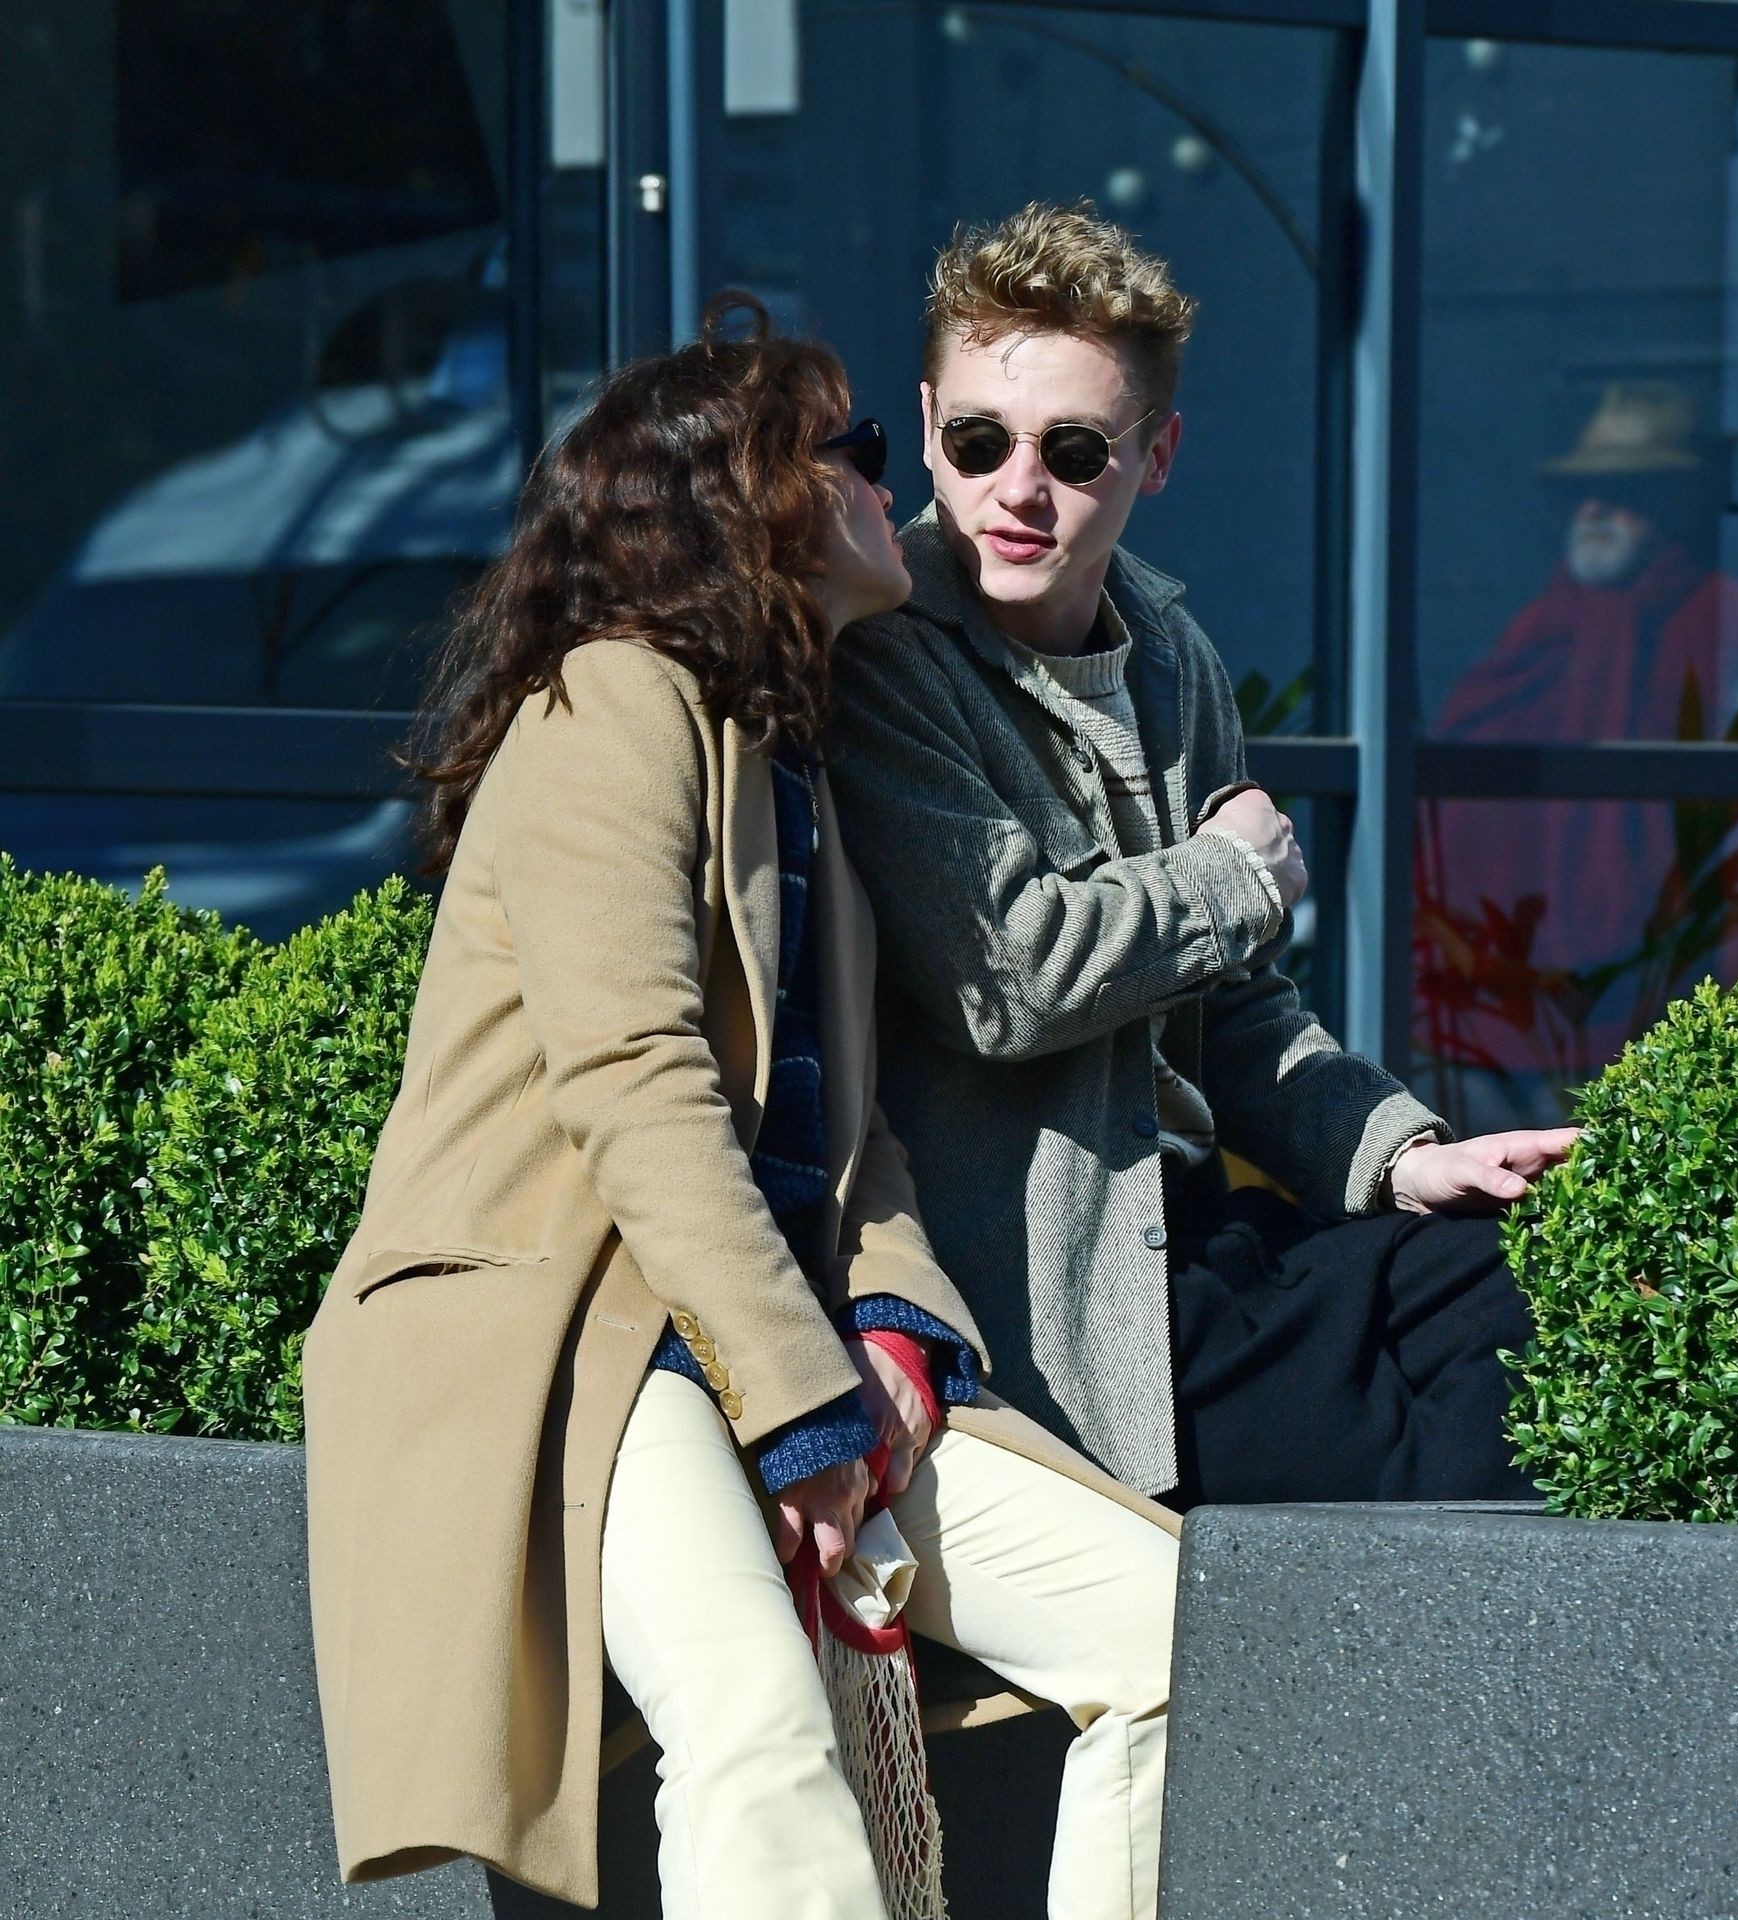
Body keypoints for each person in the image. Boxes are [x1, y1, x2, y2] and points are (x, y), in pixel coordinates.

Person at [300, 296, 1179, 1920]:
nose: (889, 482)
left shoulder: (791, 754)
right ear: (752, 497)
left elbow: (854, 1140)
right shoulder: (611, 701)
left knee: (1165, 1632)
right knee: (756, 1723)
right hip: (577, 1329)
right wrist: (803, 1414)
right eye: (856, 448)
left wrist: (899, 1328)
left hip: (781, 1340)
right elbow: (638, 1087)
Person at [827, 201, 1578, 1511]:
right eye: (979, 441)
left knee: (1530, 1291)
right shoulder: (885, 655)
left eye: (1074, 451)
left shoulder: (1171, 658)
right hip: (1059, 1308)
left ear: (1156, 456)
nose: (1019, 489)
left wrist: (1401, 1155)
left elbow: (1232, 1012)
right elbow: (1008, 979)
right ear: (931, 425)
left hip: (1204, 1236)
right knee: (1437, 1466)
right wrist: (1232, 876)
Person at [1419, 381, 1738, 1084]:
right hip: (1491, 998)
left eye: (1625, 491)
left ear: (1673, 504)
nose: (1594, 508)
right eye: (1581, 492)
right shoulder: (1538, 625)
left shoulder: (1732, 622)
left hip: (1663, 986)